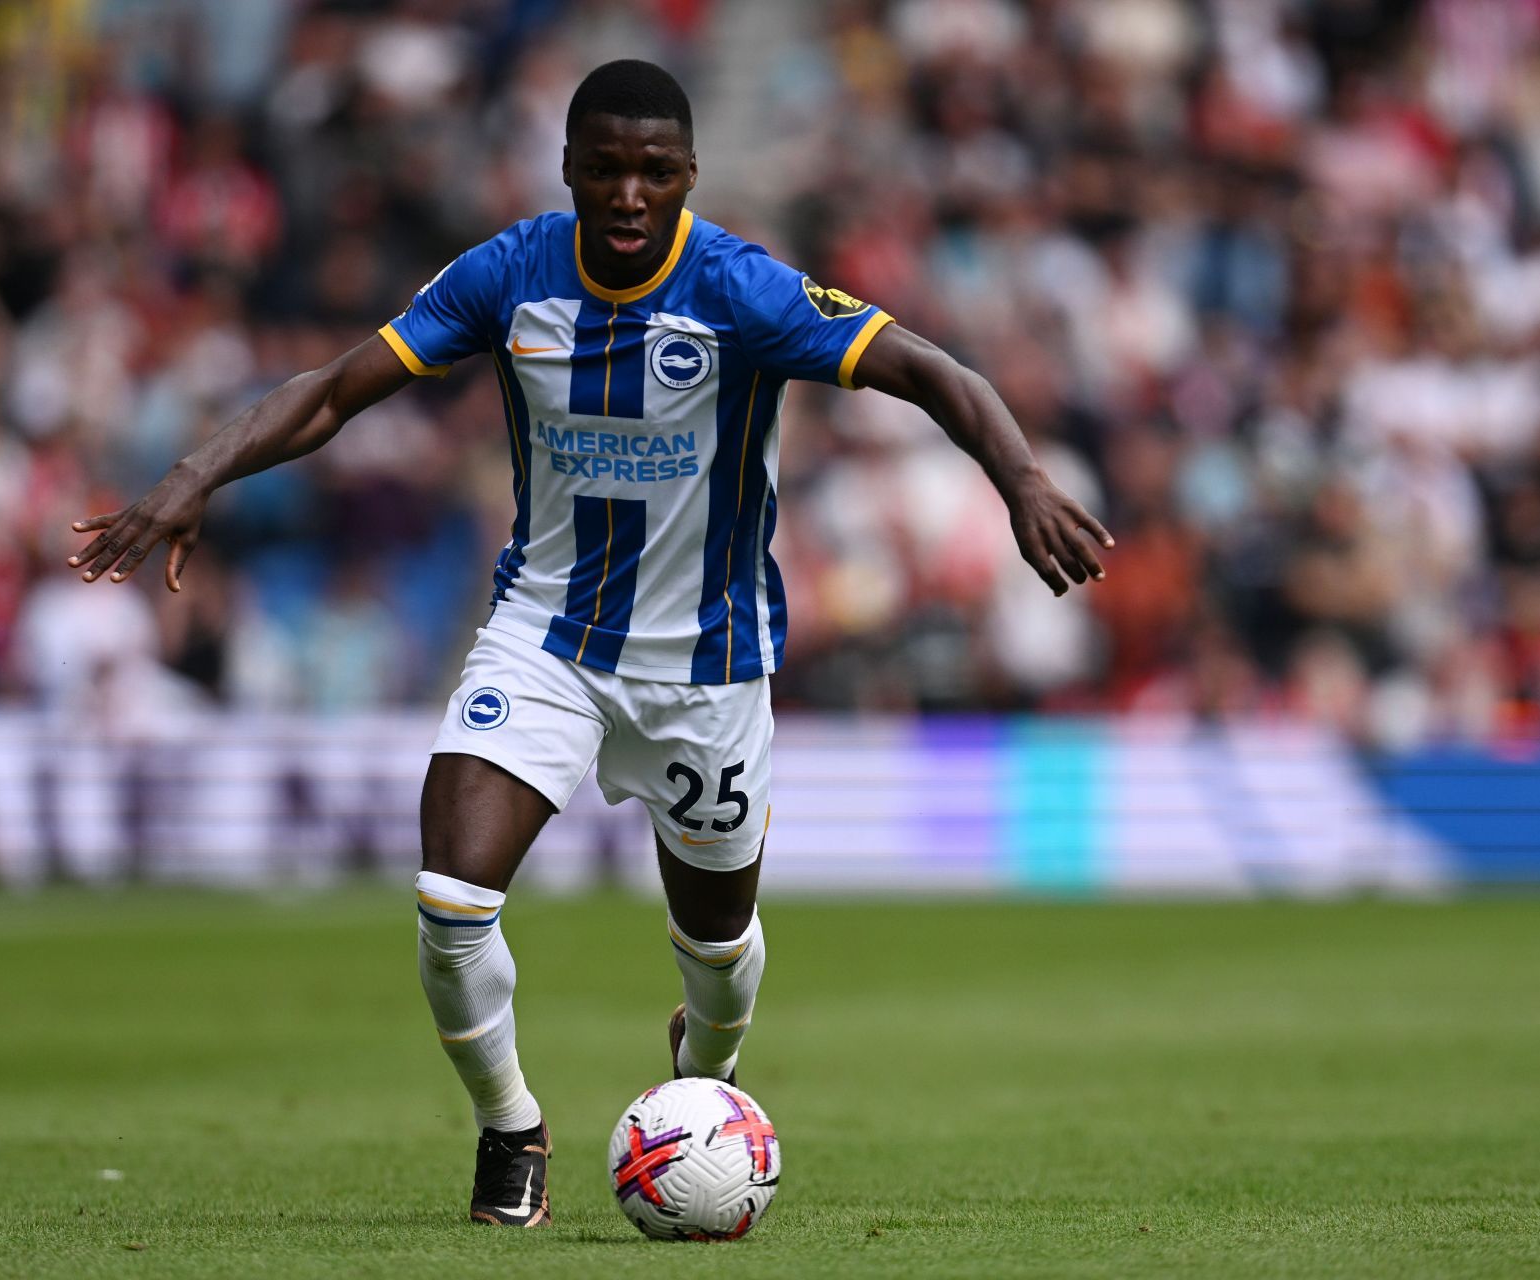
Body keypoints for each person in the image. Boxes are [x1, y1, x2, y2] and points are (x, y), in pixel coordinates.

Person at [68, 59, 1111, 1228]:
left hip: (709, 668)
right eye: (606, 169)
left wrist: (1021, 476)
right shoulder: (508, 275)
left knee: (717, 958)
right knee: (450, 898)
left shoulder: (741, 289)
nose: (628, 194)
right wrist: (193, 473)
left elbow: (931, 370)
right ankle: (511, 1127)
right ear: (568, 169)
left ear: (688, 180)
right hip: (548, 640)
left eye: (654, 173)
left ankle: (703, 1079)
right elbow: (333, 391)